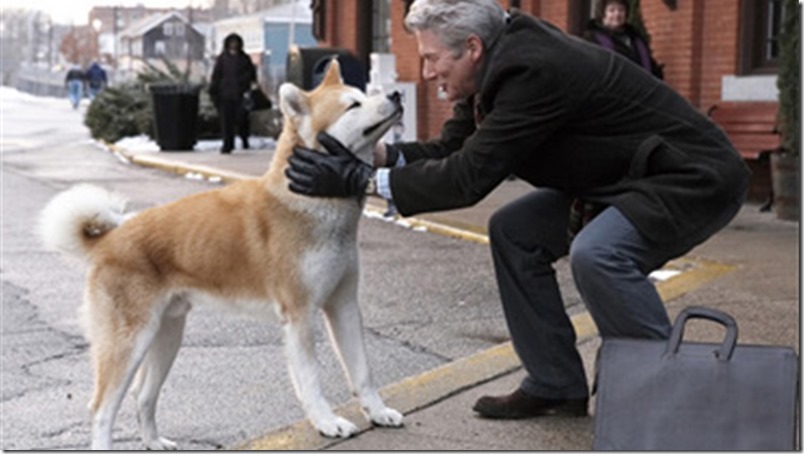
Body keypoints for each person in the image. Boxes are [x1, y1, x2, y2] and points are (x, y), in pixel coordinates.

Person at [286, 0, 750, 419]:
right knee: (515, 231)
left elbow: (468, 178)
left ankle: (674, 394)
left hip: (689, 177)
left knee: (598, 253)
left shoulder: (533, 71)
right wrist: (375, 157)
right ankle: (555, 383)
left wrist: (359, 181)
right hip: (622, 180)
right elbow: (453, 149)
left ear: (471, 48)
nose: (427, 73)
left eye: (431, 59)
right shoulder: (492, 64)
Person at [583, 0, 663, 79]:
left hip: (641, 88)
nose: (617, 14)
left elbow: (650, 66)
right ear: (603, 13)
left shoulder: (636, 38)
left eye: (621, 10)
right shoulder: (593, 39)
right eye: (612, 10)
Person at [208, 33, 257, 154]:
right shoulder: (222, 59)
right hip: (225, 95)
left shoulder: (244, 58)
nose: (233, 45)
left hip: (240, 95)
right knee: (226, 121)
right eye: (231, 42)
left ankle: (244, 139)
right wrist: (214, 91)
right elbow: (216, 76)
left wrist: (244, 84)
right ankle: (227, 144)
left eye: (235, 42)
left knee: (242, 120)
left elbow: (252, 75)